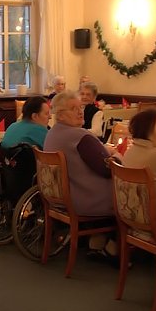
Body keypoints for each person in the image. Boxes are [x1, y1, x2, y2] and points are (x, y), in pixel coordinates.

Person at [44, 91, 118, 259]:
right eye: (73, 108)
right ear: (61, 115)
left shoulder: (52, 133)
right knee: (130, 195)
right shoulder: (80, 136)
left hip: (61, 197)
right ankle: (114, 249)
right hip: (86, 199)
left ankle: (97, 242)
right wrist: (118, 157)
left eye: (81, 107)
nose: (80, 112)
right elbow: (107, 169)